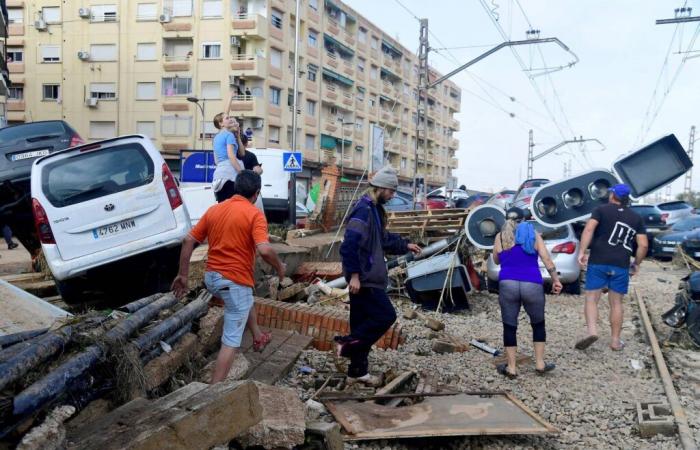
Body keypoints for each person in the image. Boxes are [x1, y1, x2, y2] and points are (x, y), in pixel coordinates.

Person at [171, 170, 286, 383]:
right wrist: (280, 268)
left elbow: (188, 241)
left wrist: (183, 275)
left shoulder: (215, 210)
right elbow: (265, 250)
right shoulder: (254, 214)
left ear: (236, 188)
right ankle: (214, 391)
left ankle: (258, 337)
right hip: (233, 282)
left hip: (212, 278)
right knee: (231, 340)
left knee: (245, 296)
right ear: (257, 193)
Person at [336, 166, 422, 386]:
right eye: (391, 191)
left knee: (360, 323)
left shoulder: (374, 209)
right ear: (381, 188)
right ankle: (347, 344)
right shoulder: (363, 211)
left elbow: (382, 239)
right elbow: (349, 245)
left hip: (367, 276)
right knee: (385, 316)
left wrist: (405, 245)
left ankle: (357, 372)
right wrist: (354, 275)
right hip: (365, 278)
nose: (393, 196)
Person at [575, 183, 648, 352]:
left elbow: (588, 230)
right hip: (621, 264)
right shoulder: (636, 218)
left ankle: (592, 332)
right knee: (616, 303)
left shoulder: (600, 210)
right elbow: (643, 245)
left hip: (599, 260)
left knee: (592, 298)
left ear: (613, 196)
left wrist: (582, 252)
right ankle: (615, 341)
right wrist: (636, 263)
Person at [492, 207, 562, 378]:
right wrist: (556, 279)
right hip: (532, 283)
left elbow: (496, 259)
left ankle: (512, 368)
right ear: (524, 219)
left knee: (510, 326)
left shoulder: (500, 236)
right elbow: (546, 258)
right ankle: (539, 364)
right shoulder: (533, 235)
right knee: (538, 324)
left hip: (508, 284)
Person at [211, 112, 243, 203]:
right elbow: (231, 157)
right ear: (221, 124)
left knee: (223, 208)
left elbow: (216, 160)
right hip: (230, 176)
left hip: (218, 176)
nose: (230, 119)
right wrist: (242, 174)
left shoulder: (216, 138)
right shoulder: (229, 135)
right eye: (227, 118)